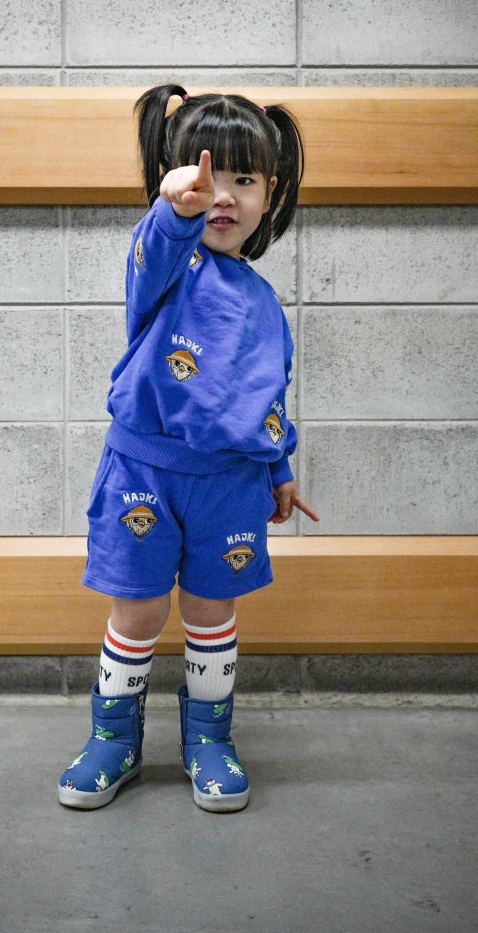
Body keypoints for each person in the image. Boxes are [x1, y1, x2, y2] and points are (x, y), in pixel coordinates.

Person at [58, 84, 318, 813]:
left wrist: (279, 469)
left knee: (210, 612)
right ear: (173, 180)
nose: (224, 195)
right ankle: (114, 739)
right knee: (137, 613)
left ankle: (209, 740)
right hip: (144, 473)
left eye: (244, 178)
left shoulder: (264, 302)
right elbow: (155, 245)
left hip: (229, 485)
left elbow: (265, 398)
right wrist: (174, 210)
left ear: (270, 194)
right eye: (208, 177)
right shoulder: (165, 266)